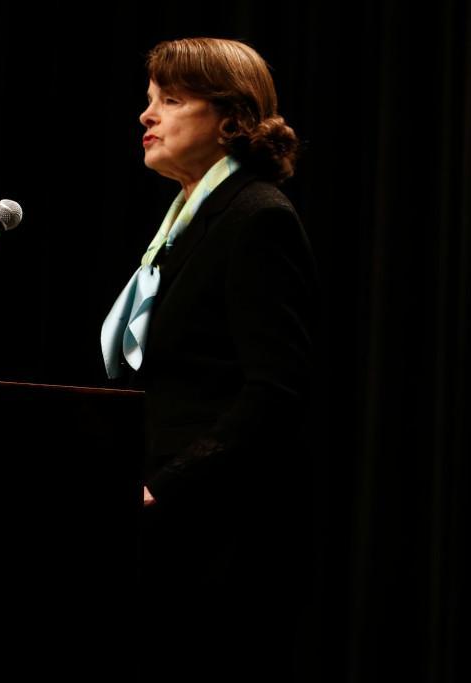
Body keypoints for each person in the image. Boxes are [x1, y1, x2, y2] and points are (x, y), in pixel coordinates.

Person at [100, 38, 318, 679]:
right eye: (149, 100)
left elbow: (274, 391)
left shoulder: (257, 218)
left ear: (229, 121)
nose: (147, 116)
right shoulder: (186, 222)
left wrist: (161, 489)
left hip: (220, 543)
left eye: (170, 100)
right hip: (166, 537)